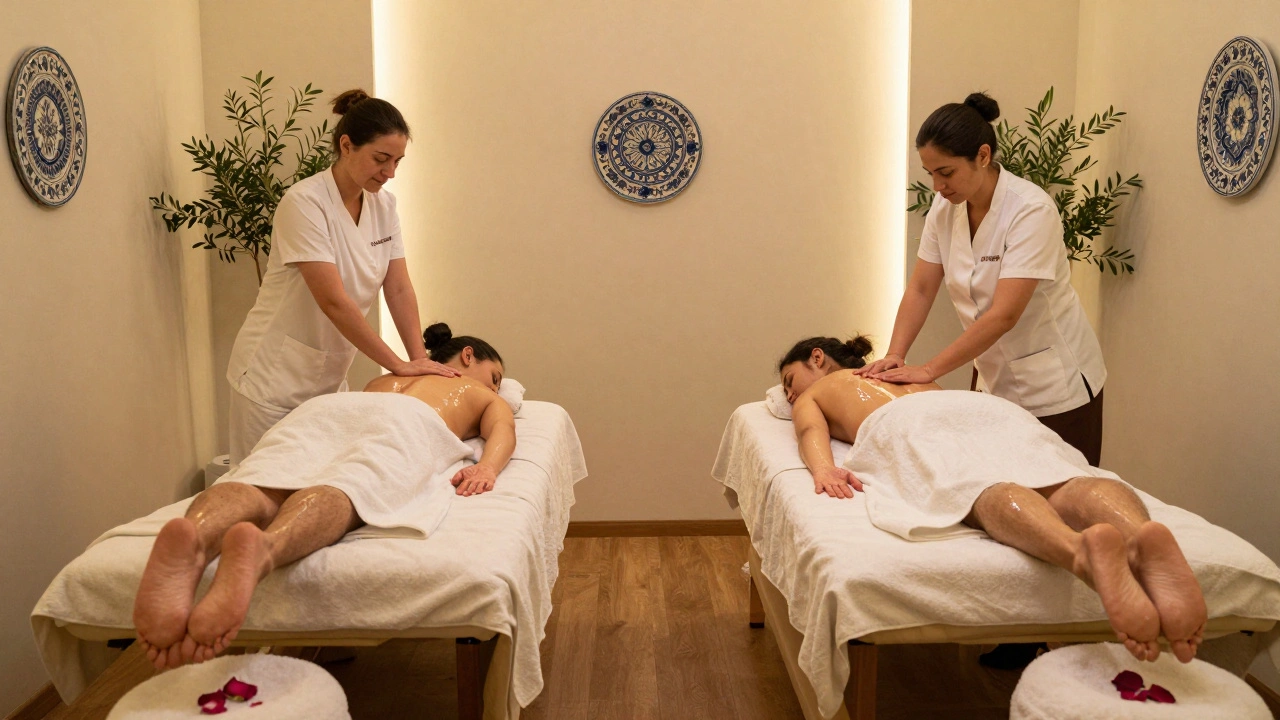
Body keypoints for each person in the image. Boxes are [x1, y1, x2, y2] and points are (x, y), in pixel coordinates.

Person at [780, 336, 1207, 664]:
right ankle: (1139, 535)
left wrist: (822, 468)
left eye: (789, 382)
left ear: (817, 357)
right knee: (1065, 479)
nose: (789, 396)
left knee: (981, 487)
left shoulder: (820, 392)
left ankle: (1082, 554)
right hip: (984, 410)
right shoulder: (904, 372)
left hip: (907, 424)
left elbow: (809, 433)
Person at [133, 324, 512, 670]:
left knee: (263, 478)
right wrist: (487, 467)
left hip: (329, 410)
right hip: (409, 422)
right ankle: (264, 548)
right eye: (495, 377)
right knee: (349, 483)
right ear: (467, 356)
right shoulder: (478, 392)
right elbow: (503, 433)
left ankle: (196, 537)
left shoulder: (389, 377)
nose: (496, 388)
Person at [858, 92, 1106, 467]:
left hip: (1055, 385)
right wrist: (896, 354)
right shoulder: (945, 209)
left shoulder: (1030, 210)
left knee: (1065, 498)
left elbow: (1004, 315)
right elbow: (922, 288)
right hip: (992, 375)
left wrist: (928, 371)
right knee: (999, 489)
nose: (937, 186)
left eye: (946, 172)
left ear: (984, 156)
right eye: (930, 174)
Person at [225, 89, 458, 466]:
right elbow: (333, 300)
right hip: (272, 381)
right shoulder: (305, 203)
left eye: (397, 161)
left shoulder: (384, 205)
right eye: (380, 159)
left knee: (316, 486)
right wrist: (397, 365)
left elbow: (397, 288)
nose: (390, 173)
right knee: (260, 490)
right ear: (346, 146)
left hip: (328, 378)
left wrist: (420, 363)